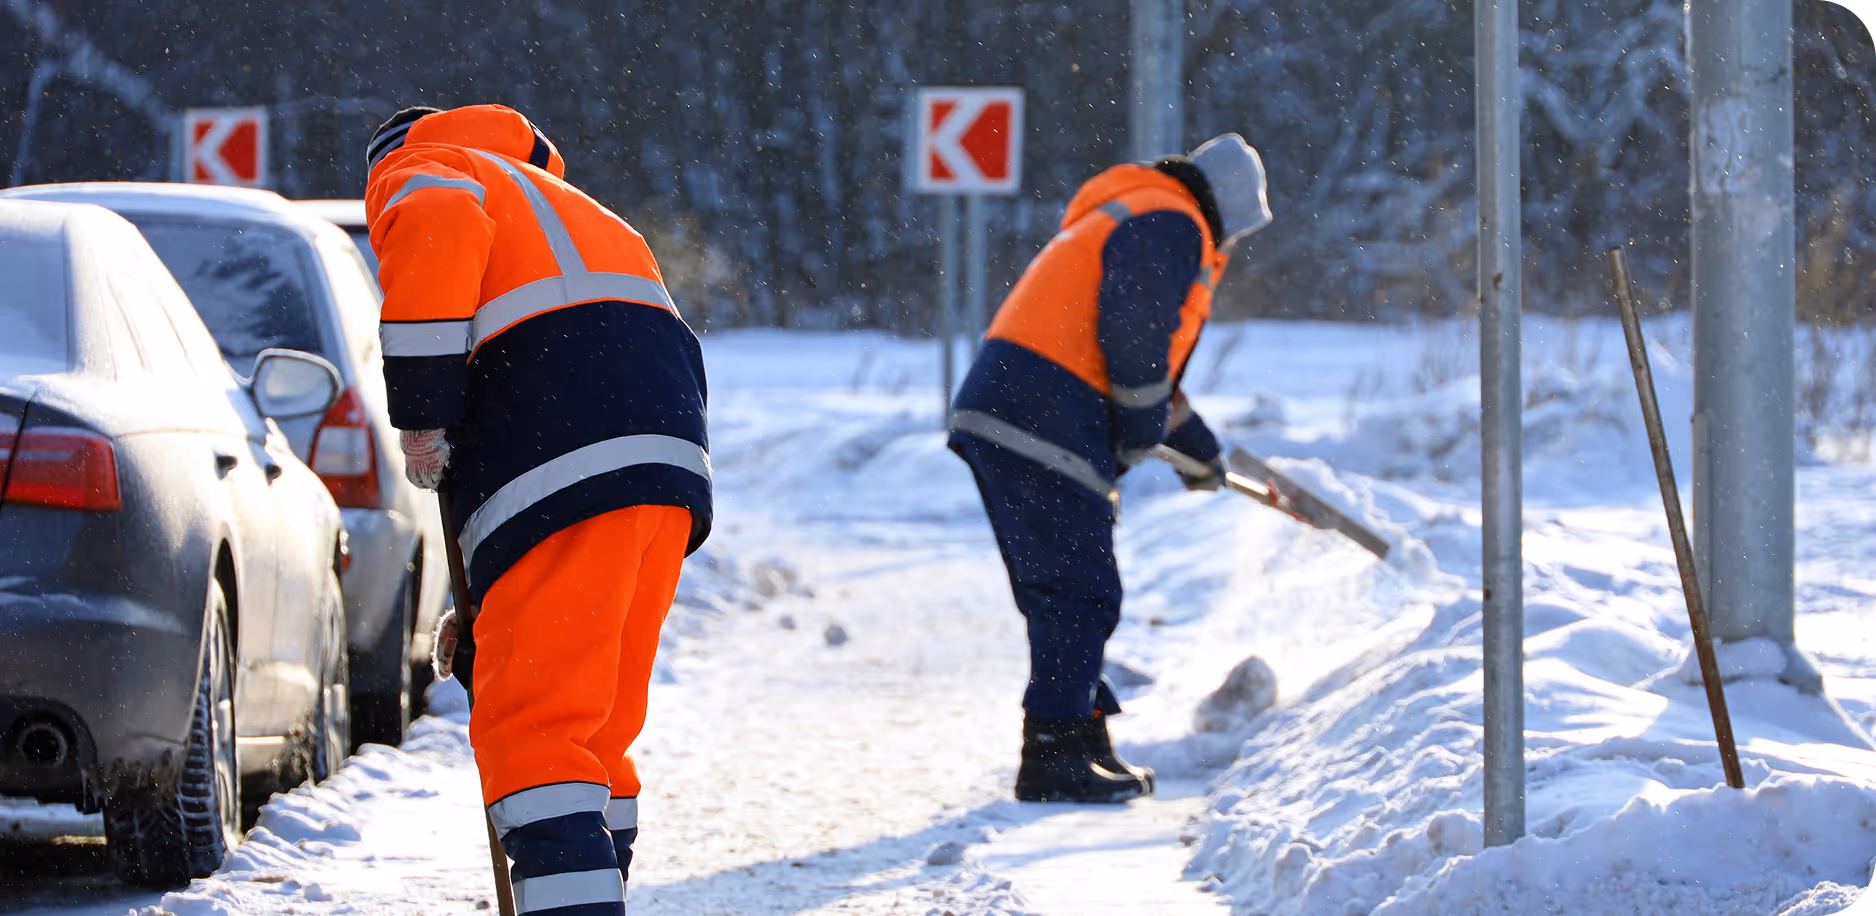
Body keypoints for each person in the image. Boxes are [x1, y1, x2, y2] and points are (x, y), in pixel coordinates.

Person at [364, 104, 711, 913]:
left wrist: (422, 410)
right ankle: (586, 891)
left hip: (559, 458)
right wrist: (487, 601)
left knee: (537, 730)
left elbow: (437, 223)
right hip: (663, 470)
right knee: (593, 729)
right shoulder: (577, 209)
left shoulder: (422, 168)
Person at [947, 134, 1273, 803]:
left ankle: (1079, 735)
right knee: (1079, 593)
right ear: (1227, 215)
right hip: (1042, 410)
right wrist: (1147, 426)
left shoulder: (1137, 211)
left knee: (1067, 589)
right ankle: (1054, 757)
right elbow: (1132, 340)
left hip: (1014, 402)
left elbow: (1149, 372)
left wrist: (1200, 455)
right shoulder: (1172, 222)